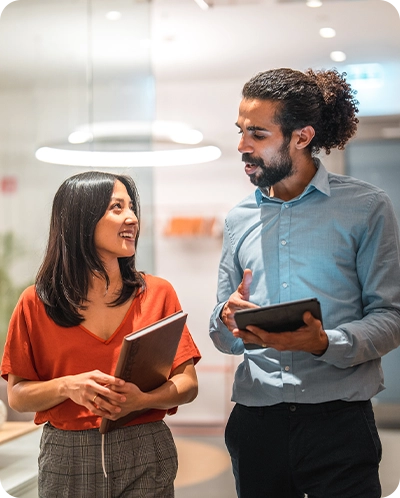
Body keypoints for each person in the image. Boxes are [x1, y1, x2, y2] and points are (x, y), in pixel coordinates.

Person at [209, 67, 400, 498]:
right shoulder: (239, 219)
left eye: (257, 134)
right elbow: (222, 335)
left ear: (302, 136)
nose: (242, 146)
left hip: (339, 425)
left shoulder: (367, 208)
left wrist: (322, 342)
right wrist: (226, 317)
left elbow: (391, 317)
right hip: (256, 424)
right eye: (240, 131)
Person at [1, 171, 201, 498]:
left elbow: (188, 384)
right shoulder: (34, 303)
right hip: (67, 456)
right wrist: (68, 386)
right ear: (81, 219)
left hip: (146, 445)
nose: (132, 218)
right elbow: (18, 395)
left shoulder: (159, 294)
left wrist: (144, 400)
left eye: (132, 207)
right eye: (117, 208)